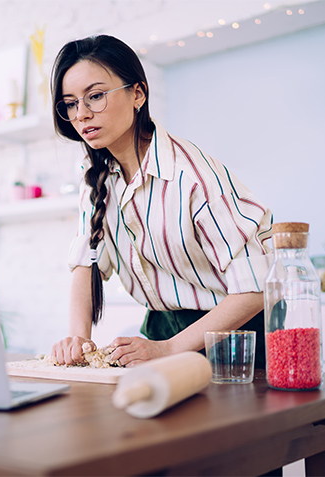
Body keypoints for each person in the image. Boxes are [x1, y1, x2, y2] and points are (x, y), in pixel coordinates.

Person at [49, 34, 274, 369]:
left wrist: (168, 349)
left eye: (95, 96)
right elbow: (87, 262)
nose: (81, 114)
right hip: (160, 333)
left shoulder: (191, 175)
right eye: (70, 103)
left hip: (232, 341)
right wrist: (78, 337)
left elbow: (256, 287)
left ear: (137, 93)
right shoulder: (97, 174)